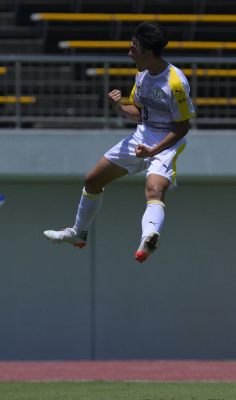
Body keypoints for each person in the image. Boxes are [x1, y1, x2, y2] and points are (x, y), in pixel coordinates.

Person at [43, 22, 195, 263]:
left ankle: (149, 237)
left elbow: (182, 127)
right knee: (92, 180)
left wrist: (153, 151)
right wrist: (118, 107)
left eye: (133, 48)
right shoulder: (142, 76)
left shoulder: (175, 84)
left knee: (155, 190)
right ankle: (78, 233)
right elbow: (139, 113)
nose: (129, 53)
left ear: (147, 52)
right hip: (141, 137)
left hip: (166, 143)